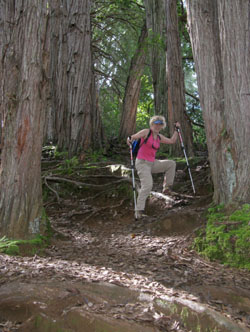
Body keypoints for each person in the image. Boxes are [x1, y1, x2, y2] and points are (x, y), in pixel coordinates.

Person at [127, 115, 180, 219]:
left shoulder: (159, 137)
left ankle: (167, 188)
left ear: (162, 126)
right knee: (147, 185)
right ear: (152, 124)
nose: (157, 126)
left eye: (160, 124)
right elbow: (132, 137)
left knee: (171, 164)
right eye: (155, 124)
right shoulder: (146, 132)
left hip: (152, 163)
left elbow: (172, 141)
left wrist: (176, 130)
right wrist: (129, 139)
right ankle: (138, 211)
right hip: (142, 163)